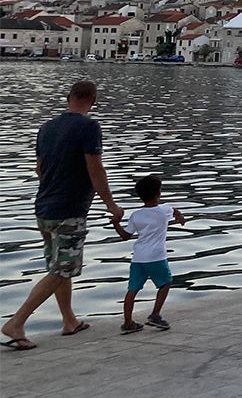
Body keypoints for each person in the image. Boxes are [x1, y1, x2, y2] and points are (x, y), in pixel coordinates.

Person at [2, 81, 124, 352]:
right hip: (70, 210)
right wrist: (111, 205)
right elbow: (95, 169)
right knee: (62, 270)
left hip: (44, 208)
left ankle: (69, 320)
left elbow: (39, 169)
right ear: (93, 100)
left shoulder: (46, 128)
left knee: (58, 267)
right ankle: (16, 323)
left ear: (68, 97)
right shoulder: (89, 127)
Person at [110, 175, 186, 334]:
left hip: (138, 258)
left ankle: (128, 322)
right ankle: (155, 314)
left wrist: (116, 223)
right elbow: (174, 211)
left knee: (133, 289)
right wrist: (180, 217)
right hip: (156, 257)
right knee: (165, 283)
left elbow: (125, 236)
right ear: (158, 193)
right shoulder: (164, 210)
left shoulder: (136, 215)